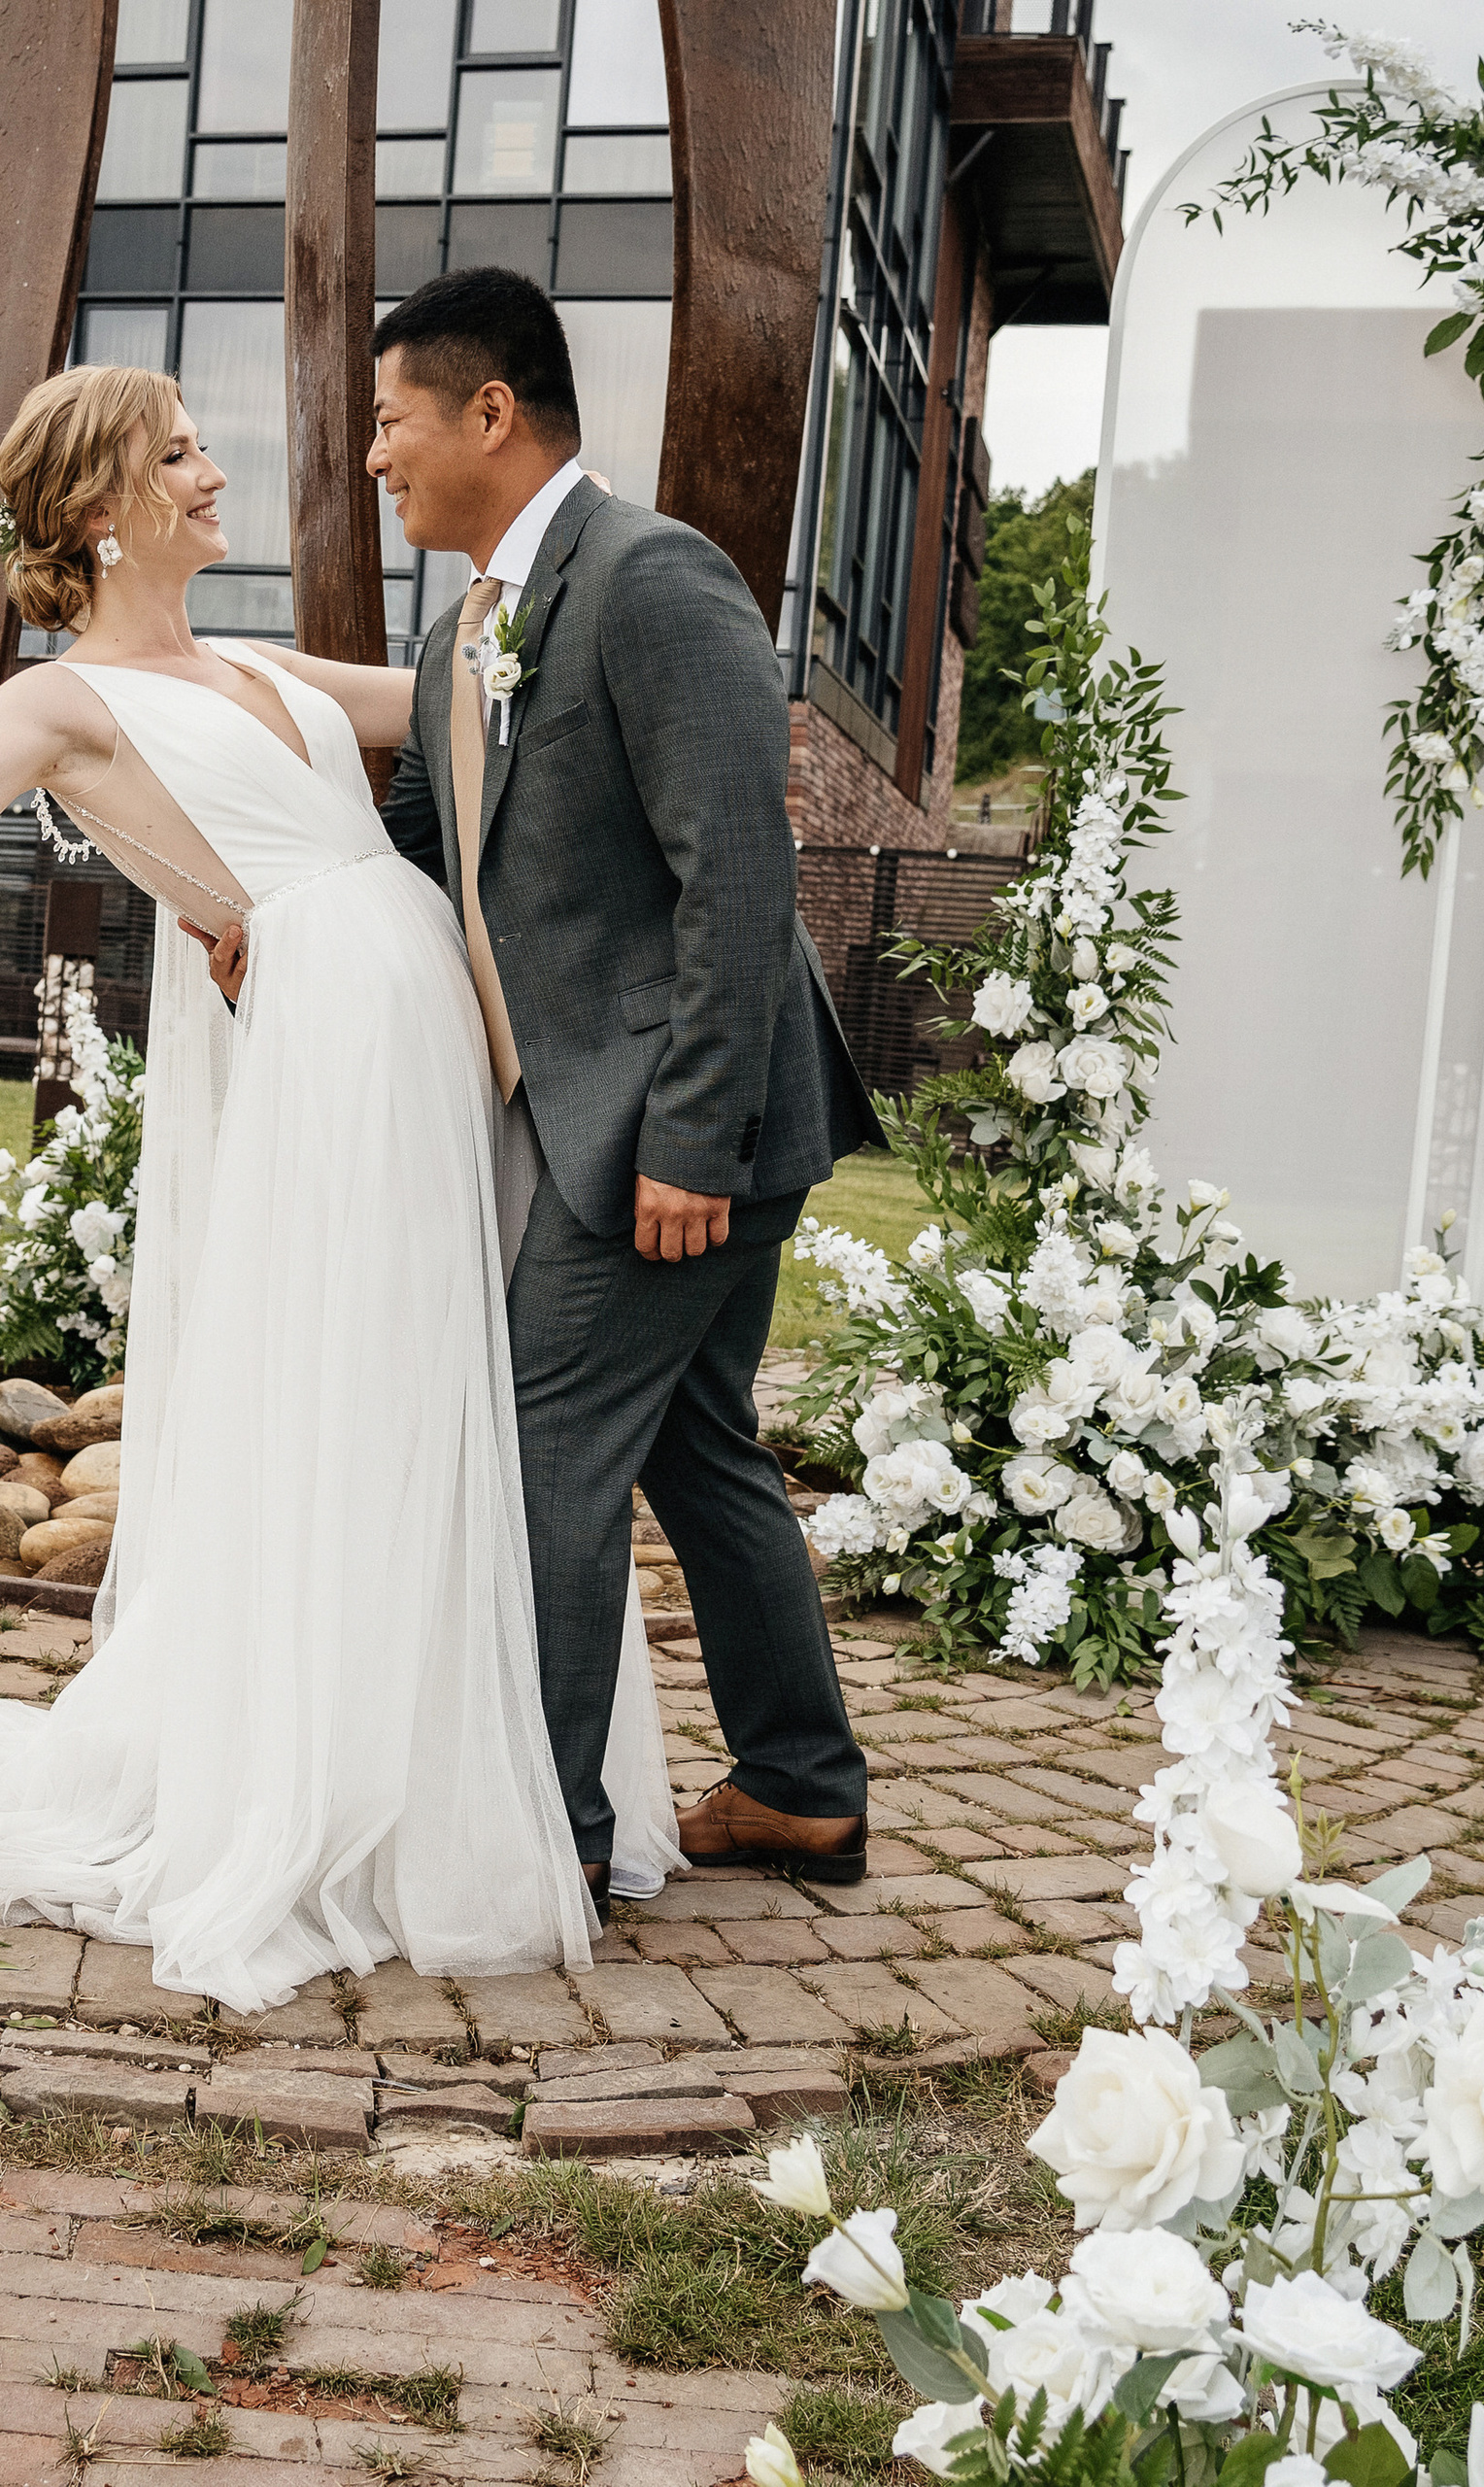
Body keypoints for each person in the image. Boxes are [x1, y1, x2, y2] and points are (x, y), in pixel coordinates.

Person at [0, 361, 681, 2013]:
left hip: (425, 1026)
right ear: (101, 512)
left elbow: (466, 692)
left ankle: (463, 1744)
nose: (215, 472)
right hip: (328, 1055)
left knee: (453, 1393)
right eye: (179, 454)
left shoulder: (248, 662)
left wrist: (600, 612)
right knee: (351, 1392)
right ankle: (341, 1780)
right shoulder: (62, 702)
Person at [362, 268, 881, 1891]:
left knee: (542, 1444)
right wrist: (263, 913)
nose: (376, 458)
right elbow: (414, 848)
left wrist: (691, 1143)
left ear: (491, 413)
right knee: (696, 1444)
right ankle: (799, 1784)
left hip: (677, 1122)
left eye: (392, 422)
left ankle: (549, 1847)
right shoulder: (465, 624)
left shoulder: (657, 580)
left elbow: (741, 876)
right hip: (622, 1113)